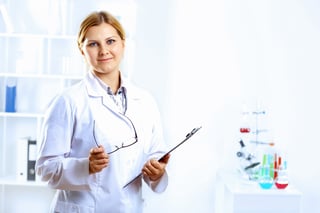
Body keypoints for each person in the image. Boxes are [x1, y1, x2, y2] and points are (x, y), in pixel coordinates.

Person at [36, 10, 170, 213]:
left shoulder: (145, 101)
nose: (104, 51)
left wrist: (157, 173)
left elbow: (155, 157)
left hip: (129, 207)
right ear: (82, 50)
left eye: (110, 41)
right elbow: (45, 170)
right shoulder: (68, 101)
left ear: (123, 44)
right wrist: (86, 166)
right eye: (93, 44)